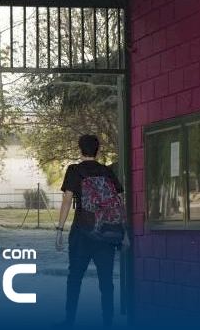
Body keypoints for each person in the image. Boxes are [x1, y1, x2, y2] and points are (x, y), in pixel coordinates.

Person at [54, 135, 124, 327]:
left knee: (74, 278)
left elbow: (67, 201)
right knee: (106, 281)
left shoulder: (74, 170)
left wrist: (59, 229)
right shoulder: (107, 171)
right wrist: (122, 230)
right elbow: (119, 200)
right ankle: (108, 322)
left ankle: (69, 320)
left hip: (81, 233)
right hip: (106, 233)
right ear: (98, 150)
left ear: (80, 149)